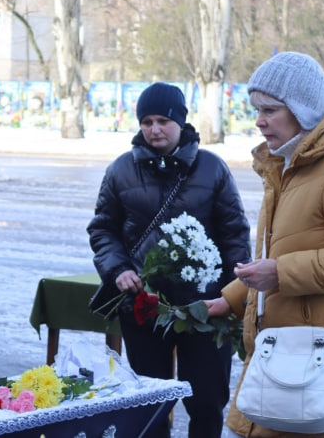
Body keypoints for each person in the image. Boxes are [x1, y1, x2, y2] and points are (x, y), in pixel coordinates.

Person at [205, 52, 324, 437]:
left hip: (322, 368)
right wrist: (234, 296)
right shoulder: (287, 164)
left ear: (302, 111)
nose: (259, 121)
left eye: (270, 110)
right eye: (257, 109)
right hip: (287, 364)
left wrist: (280, 274)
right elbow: (285, 251)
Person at [88, 82, 251, 438]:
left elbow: (235, 235)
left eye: (163, 120)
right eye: (146, 121)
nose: (154, 129)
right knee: (151, 402)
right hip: (145, 306)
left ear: (181, 122)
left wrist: (232, 293)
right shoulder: (121, 170)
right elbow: (103, 230)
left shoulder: (212, 169)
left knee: (207, 401)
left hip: (205, 308)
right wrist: (119, 270)